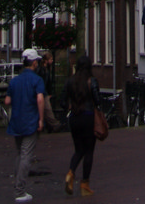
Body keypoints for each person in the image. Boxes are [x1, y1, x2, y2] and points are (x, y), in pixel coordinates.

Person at [4, 48, 45, 204]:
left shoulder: (14, 81)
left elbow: (7, 101)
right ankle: (19, 191)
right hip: (30, 121)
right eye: (37, 62)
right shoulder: (37, 80)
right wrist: (41, 119)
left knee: (20, 154)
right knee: (26, 155)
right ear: (34, 63)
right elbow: (40, 99)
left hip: (16, 122)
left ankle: (18, 186)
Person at [61, 55, 101, 197]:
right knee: (89, 151)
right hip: (88, 117)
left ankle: (70, 173)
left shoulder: (69, 81)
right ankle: (85, 185)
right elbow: (97, 100)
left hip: (74, 118)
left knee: (78, 150)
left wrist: (70, 107)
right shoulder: (92, 81)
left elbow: (62, 102)